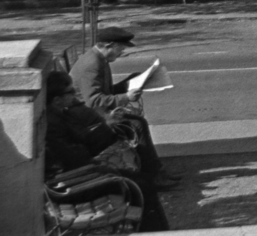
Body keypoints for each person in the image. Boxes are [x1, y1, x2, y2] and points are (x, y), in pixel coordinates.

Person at [45, 71, 169, 230]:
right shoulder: (54, 123)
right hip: (71, 184)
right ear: (57, 100)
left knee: (143, 181)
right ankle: (156, 231)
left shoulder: (59, 114)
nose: (75, 96)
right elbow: (74, 157)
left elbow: (81, 144)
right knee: (140, 185)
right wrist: (93, 153)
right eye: (70, 92)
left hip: (81, 174)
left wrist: (103, 128)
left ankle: (158, 231)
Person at [69, 26, 176, 188]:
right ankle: (153, 176)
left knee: (138, 122)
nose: (121, 53)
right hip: (88, 118)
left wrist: (129, 83)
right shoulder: (92, 64)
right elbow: (93, 101)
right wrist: (126, 97)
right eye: (120, 48)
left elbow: (104, 92)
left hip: (91, 113)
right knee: (136, 125)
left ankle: (155, 171)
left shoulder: (98, 58)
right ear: (109, 45)